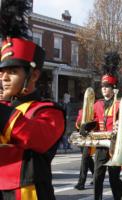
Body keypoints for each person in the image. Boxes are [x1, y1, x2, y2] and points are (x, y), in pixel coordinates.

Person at [0, 1, 66, 199]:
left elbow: (34, 137)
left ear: (34, 76)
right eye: (1, 72)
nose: (3, 78)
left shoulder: (49, 111)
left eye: (12, 72)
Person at [78, 52, 122, 200]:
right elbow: (95, 120)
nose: (104, 89)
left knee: (114, 179)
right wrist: (87, 126)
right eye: (103, 86)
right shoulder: (97, 104)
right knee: (97, 177)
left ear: (113, 87)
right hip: (101, 146)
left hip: (114, 146)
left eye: (108, 86)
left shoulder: (119, 103)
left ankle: (119, 196)